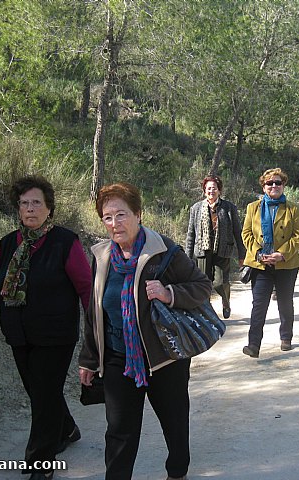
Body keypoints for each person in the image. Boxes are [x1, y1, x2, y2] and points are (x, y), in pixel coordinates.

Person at [79, 182, 211, 480]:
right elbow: (94, 312)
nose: (115, 223)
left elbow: (202, 286)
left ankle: (177, 472)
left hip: (164, 358)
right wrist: (88, 359)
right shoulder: (101, 257)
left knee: (174, 424)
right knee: (118, 432)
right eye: (107, 217)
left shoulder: (163, 251)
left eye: (121, 214)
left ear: (139, 214)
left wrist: (168, 293)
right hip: (118, 359)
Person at [0, 175, 92, 480]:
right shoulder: (10, 243)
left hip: (56, 334)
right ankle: (67, 429)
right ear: (18, 208)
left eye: (37, 202)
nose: (30, 208)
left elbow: (86, 287)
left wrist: (98, 328)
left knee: (44, 394)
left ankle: (41, 462)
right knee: (39, 392)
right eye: (25, 203)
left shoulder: (65, 241)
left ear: (49, 208)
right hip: (19, 334)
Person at [241, 168, 299, 358]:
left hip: (286, 264)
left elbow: (298, 235)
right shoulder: (253, 207)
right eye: (270, 183)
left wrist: (281, 254)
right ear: (264, 186)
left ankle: (286, 337)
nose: (274, 186)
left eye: (278, 182)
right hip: (260, 264)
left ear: (284, 185)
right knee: (259, 304)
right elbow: (246, 234)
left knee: (285, 302)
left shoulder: (293, 208)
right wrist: (259, 253)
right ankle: (253, 344)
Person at [185, 175, 246, 318]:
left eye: (214, 188)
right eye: (208, 188)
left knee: (219, 282)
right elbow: (190, 234)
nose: (211, 191)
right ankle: (206, 312)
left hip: (222, 250)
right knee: (203, 284)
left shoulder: (229, 208)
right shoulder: (196, 208)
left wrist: (242, 255)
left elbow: (238, 232)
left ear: (219, 190)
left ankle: (225, 301)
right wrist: (187, 258)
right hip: (202, 251)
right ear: (204, 190)